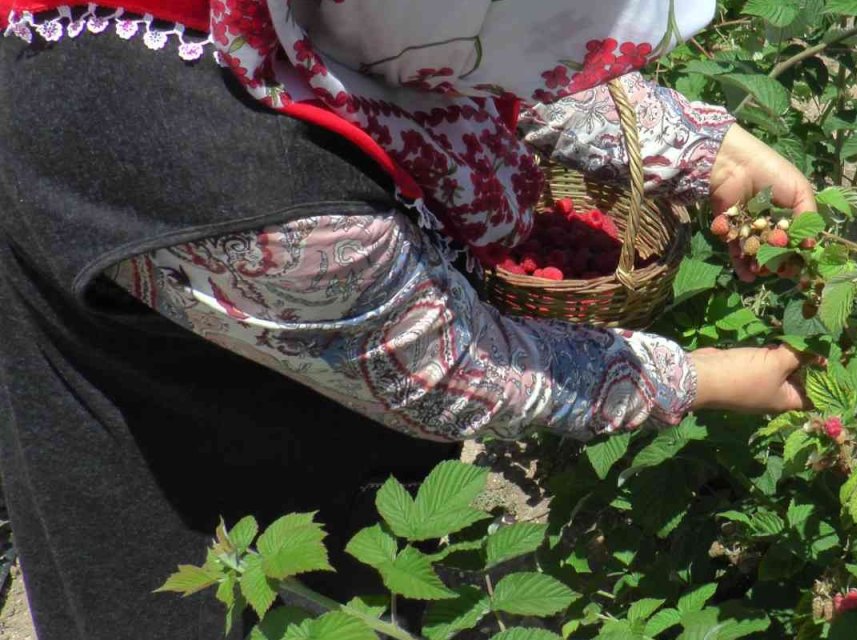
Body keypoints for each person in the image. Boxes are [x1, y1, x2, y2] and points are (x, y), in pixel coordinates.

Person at [0, 1, 814, 637]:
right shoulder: (230, 174)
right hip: (197, 495)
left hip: (276, 377)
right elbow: (455, 373)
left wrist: (705, 149)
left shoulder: (354, 16)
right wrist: (706, 376)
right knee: (270, 608)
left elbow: (450, 47)